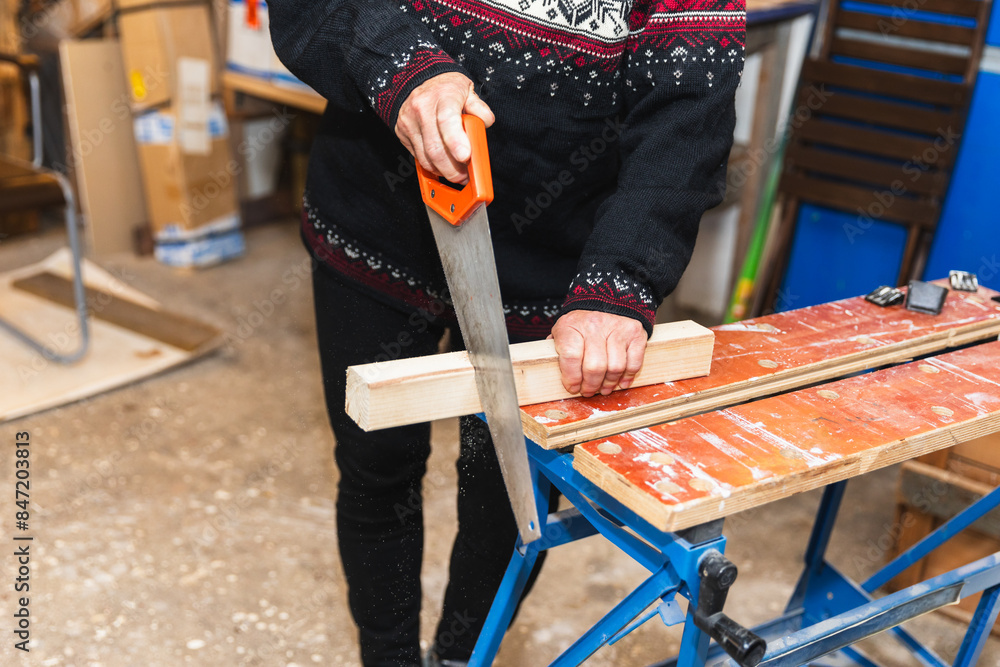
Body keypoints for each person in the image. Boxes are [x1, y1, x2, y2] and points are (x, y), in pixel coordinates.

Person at [268, 0, 745, 662]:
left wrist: (622, 276)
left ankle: (464, 656)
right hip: (374, 215)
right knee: (377, 468)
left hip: (554, 264)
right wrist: (397, 62)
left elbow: (687, 114)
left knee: (506, 500)